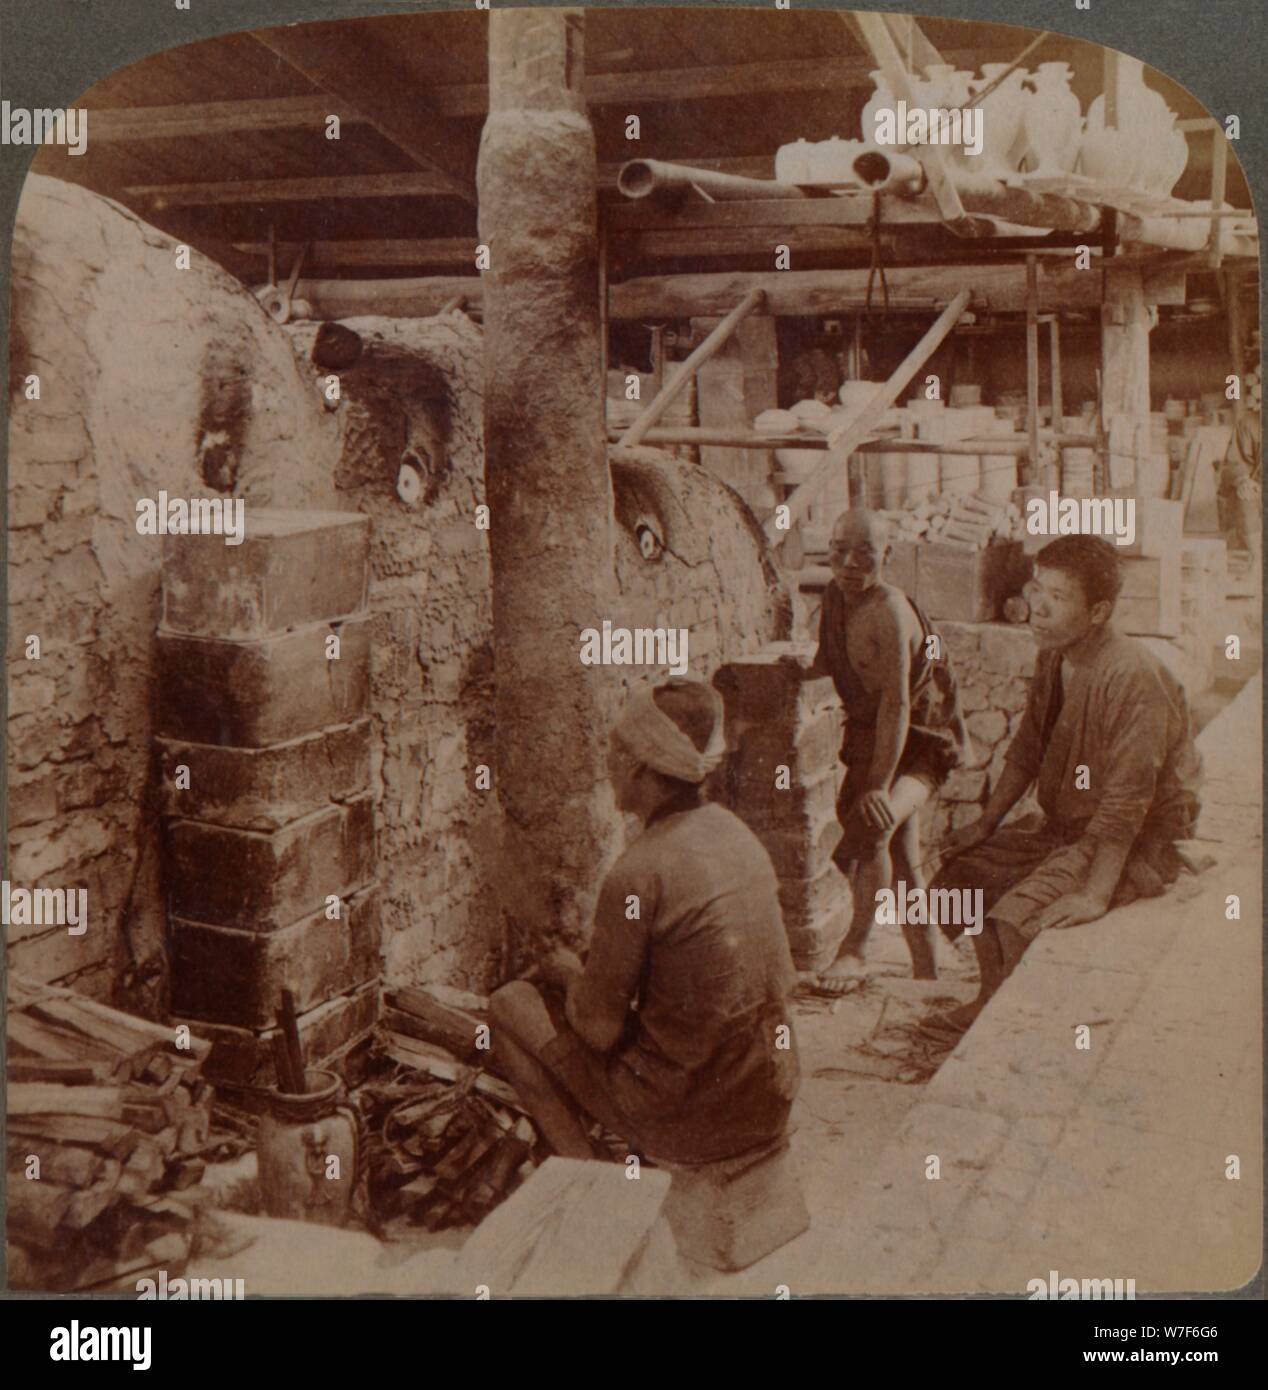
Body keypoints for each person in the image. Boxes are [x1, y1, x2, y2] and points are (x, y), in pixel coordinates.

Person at [488, 678, 801, 1165]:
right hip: (766, 1102)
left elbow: (598, 1030)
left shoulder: (638, 871)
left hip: (693, 1123)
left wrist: (567, 971)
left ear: (636, 765)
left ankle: (587, 1175)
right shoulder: (736, 835)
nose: (607, 765)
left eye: (613, 752)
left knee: (510, 1005)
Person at [924, 534, 1203, 1038]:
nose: (1038, 609)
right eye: (1037, 589)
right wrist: (986, 824)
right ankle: (990, 999)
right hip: (1065, 826)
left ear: (1098, 613)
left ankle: (1019, 1028)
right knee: (959, 880)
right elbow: (1029, 746)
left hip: (1132, 838)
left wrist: (1096, 893)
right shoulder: (1055, 656)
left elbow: (1126, 802)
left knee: (1015, 918)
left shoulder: (1133, 678)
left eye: (1058, 598)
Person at [810, 510, 969, 989]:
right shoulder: (835, 599)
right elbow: (825, 663)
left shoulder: (890, 611)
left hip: (924, 742)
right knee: (903, 864)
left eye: (866, 553)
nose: (850, 563)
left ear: (888, 556)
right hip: (879, 739)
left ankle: (855, 950)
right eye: (839, 550)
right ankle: (927, 972)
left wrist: (878, 785)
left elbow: (899, 706)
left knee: (875, 824)